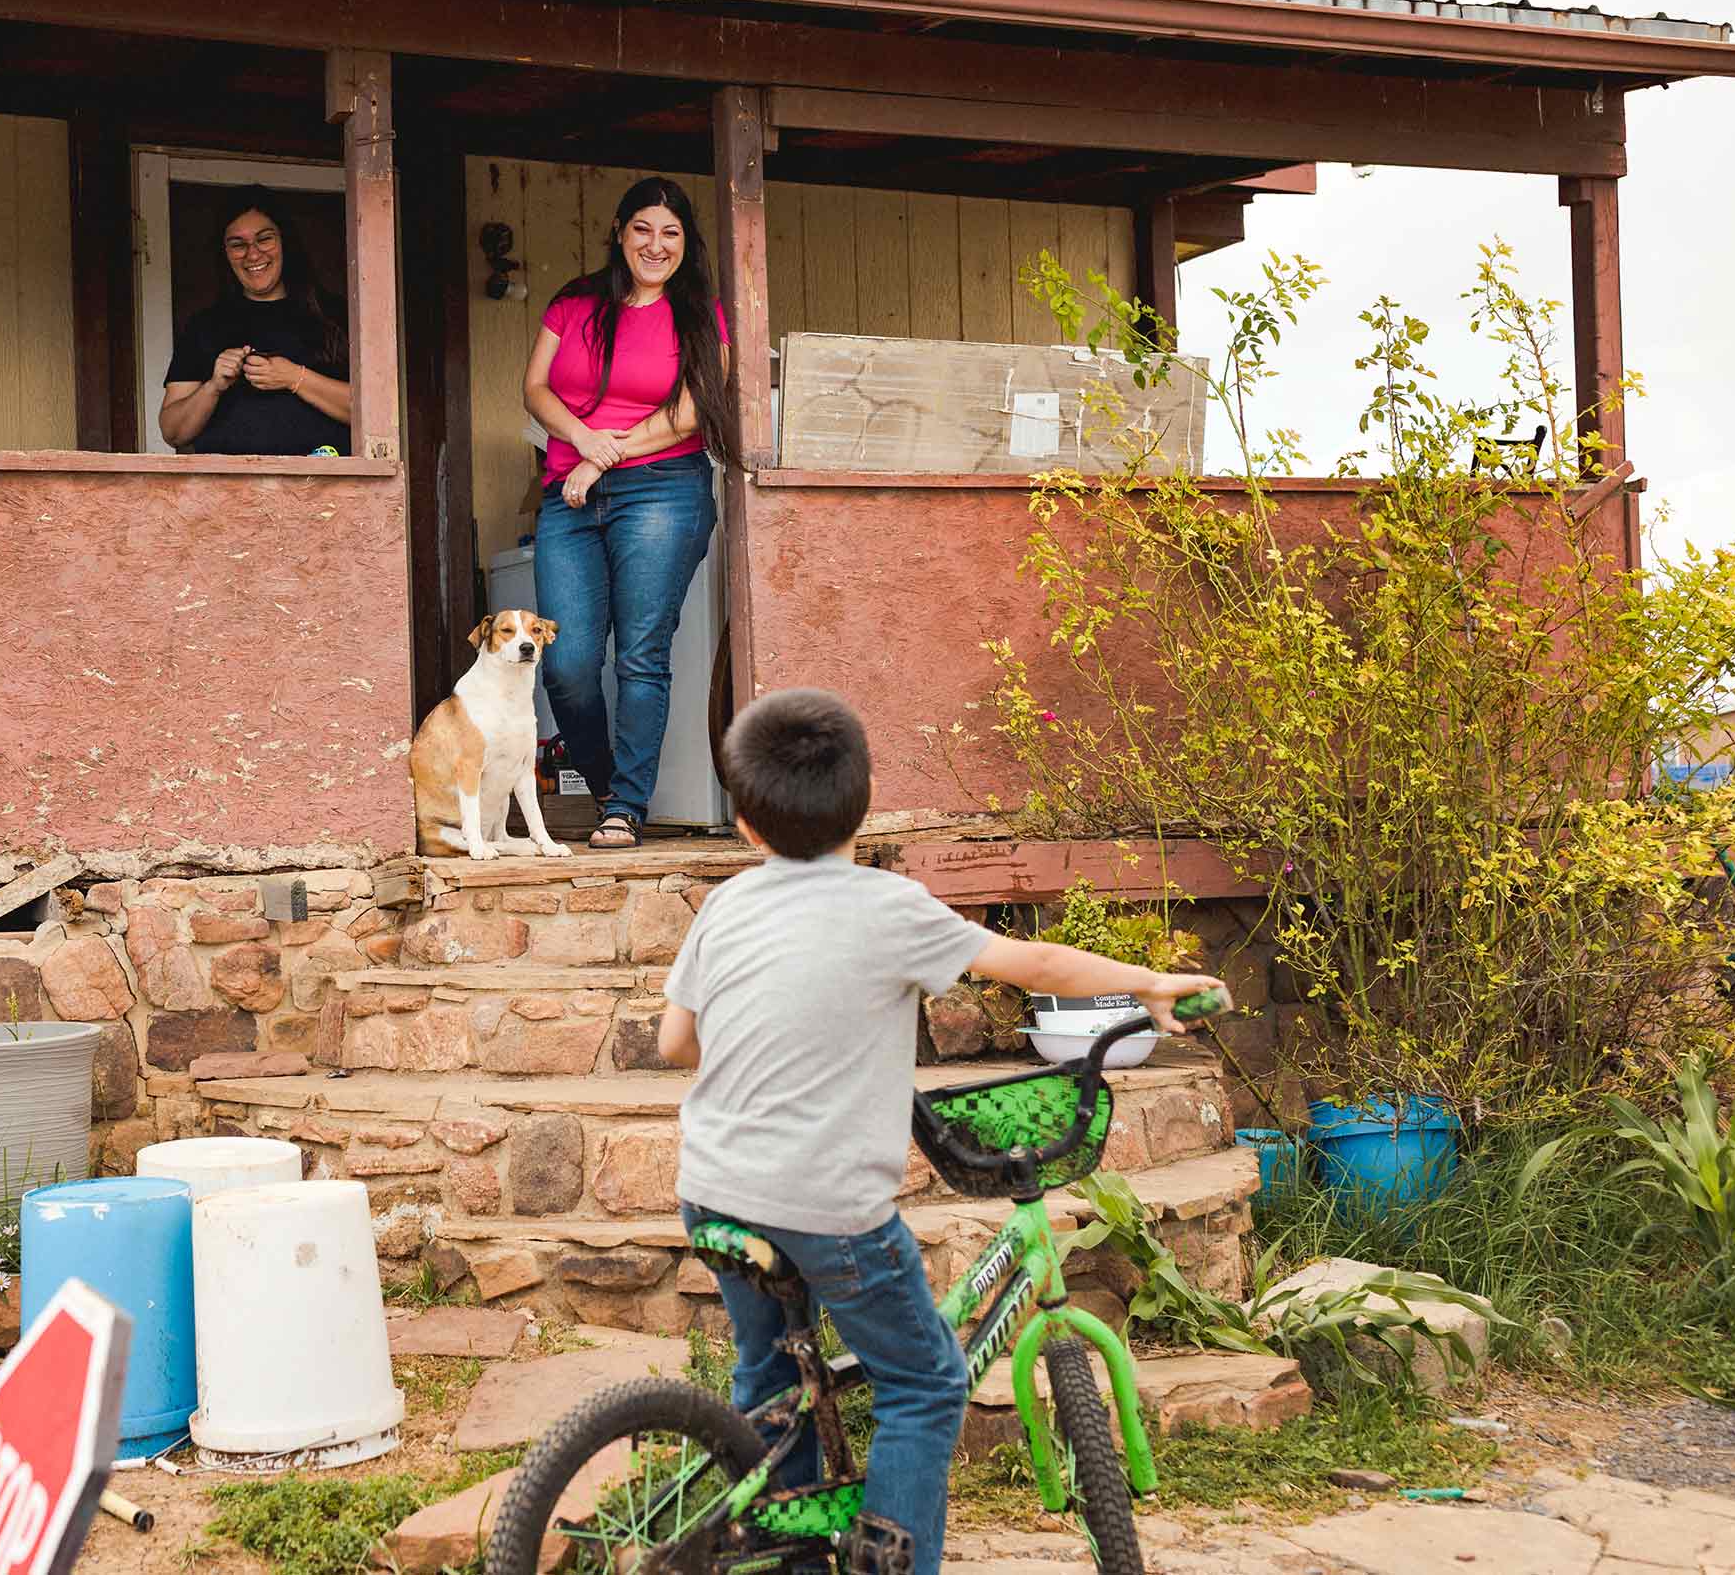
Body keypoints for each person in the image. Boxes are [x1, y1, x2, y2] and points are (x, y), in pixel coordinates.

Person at [659, 689, 1226, 1575]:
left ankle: (791, 1548)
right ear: (869, 796)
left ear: (744, 825)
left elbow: (673, 1041)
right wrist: (1148, 980)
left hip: (714, 1190)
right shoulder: (889, 906)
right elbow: (1030, 963)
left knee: (771, 1382)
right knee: (924, 1382)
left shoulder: (725, 907)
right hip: (829, 1208)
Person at [524, 176, 733, 851]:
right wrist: (582, 442)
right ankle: (613, 783)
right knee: (569, 663)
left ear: (685, 243)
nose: (656, 243)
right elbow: (535, 388)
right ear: (619, 231)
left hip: (662, 488)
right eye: (643, 228)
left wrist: (600, 457)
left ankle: (626, 809)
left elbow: (694, 411)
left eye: (670, 232)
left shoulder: (703, 313)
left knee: (641, 653)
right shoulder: (574, 303)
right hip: (570, 493)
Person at [159, 187, 352, 456]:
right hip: (227, 493)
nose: (253, 254)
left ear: (285, 242)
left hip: (326, 491)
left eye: (265, 239)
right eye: (238, 244)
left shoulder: (335, 314)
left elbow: (373, 415)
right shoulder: (205, 325)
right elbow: (173, 432)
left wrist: (294, 377)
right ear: (224, 254)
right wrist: (213, 386)